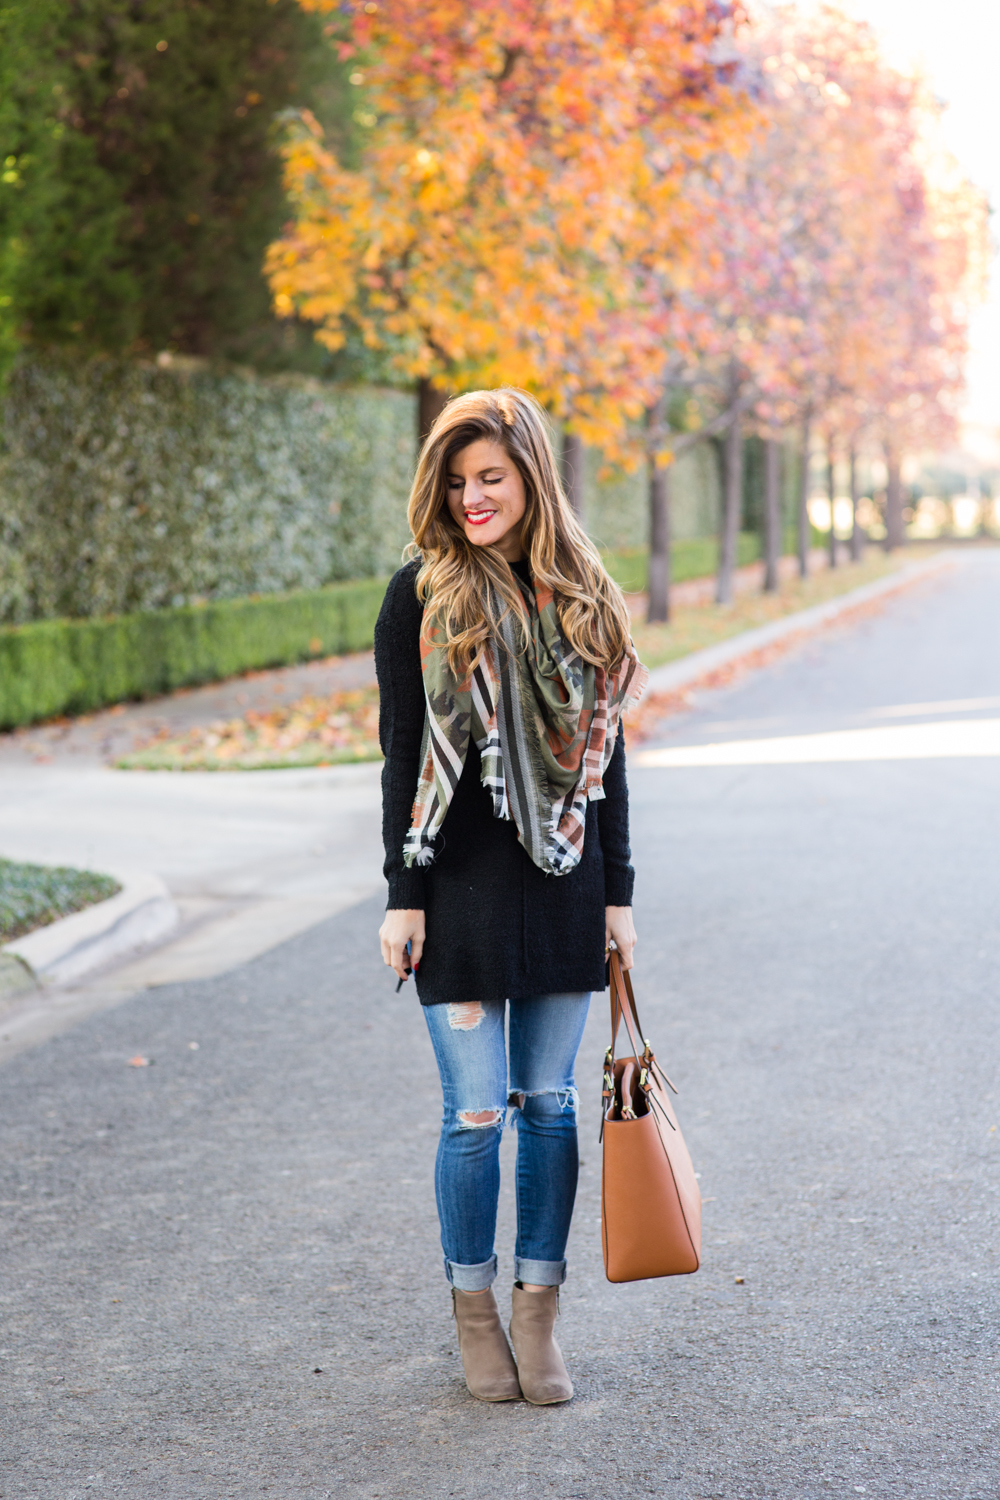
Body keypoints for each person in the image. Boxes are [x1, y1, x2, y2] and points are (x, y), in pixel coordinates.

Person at [374, 387, 646, 1405]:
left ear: (532, 473)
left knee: (552, 1106)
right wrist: (404, 895)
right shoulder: (422, 595)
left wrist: (618, 894)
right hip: (459, 894)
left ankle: (541, 1315)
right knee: (475, 1115)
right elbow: (404, 754)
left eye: (490, 476)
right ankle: (473, 1310)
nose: (472, 497)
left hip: (566, 887)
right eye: (456, 481)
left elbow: (607, 768)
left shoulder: (580, 597)